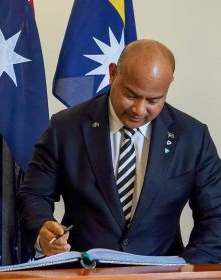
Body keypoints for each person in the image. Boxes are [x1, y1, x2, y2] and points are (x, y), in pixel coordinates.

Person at [17, 39, 221, 263]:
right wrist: (42, 231)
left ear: (169, 85)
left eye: (154, 100)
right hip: (83, 272)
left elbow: (216, 215)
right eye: (131, 95)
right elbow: (34, 194)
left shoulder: (192, 136)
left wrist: (187, 269)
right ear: (113, 73)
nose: (139, 109)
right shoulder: (65, 127)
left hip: (163, 275)